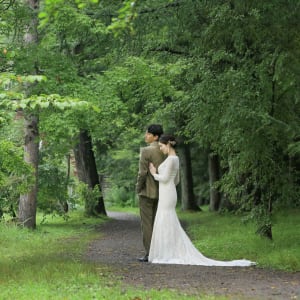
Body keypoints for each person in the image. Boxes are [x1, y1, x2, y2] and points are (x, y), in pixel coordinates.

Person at [148, 134, 256, 266]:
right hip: (169, 191)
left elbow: (165, 179)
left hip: (167, 192)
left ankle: (168, 252)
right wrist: (167, 184)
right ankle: (169, 251)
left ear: (168, 144)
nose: (160, 149)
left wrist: (154, 173)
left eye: (161, 146)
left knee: (166, 219)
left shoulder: (171, 160)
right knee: (167, 220)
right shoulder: (175, 159)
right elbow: (176, 180)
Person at [136, 124, 166, 262]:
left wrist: (138, 188)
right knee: (158, 222)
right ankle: (160, 251)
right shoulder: (165, 150)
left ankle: (150, 253)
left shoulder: (146, 151)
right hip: (163, 191)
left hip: (147, 191)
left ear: (156, 136)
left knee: (147, 224)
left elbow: (142, 173)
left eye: (148, 134)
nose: (145, 136)